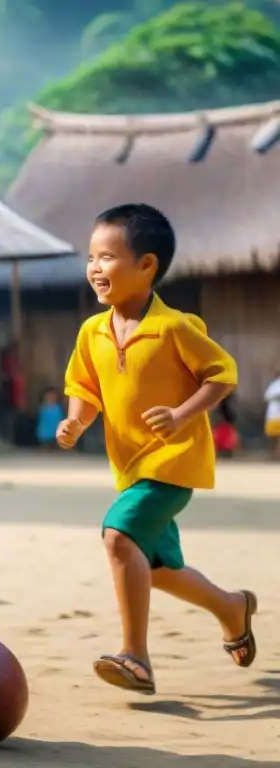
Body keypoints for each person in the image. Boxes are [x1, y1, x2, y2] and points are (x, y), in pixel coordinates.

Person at [56, 203, 257, 696]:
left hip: (173, 464)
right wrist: (75, 422)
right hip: (129, 467)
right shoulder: (92, 331)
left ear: (147, 266)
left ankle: (136, 657)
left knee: (118, 536)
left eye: (107, 257)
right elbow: (85, 388)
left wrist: (182, 414)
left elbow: (221, 374)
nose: (94, 268)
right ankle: (233, 608)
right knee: (161, 570)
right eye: (90, 258)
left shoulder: (175, 327)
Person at [264, 370, 280, 460]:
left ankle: (277, 454)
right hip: (273, 415)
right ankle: (273, 454)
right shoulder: (274, 385)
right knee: (272, 436)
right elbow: (267, 396)